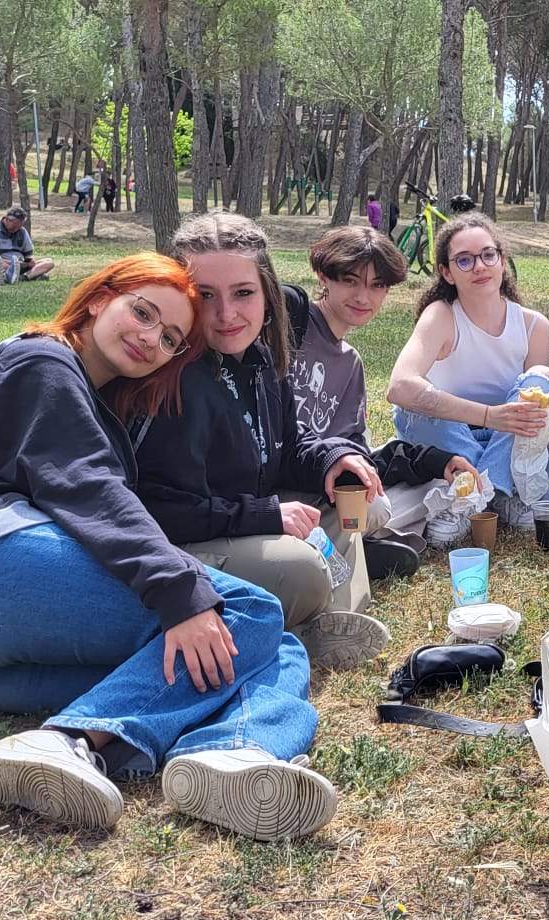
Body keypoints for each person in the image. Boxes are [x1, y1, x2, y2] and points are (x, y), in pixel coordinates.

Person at [0, 252, 339, 839]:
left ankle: (236, 756)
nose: (150, 337)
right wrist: (182, 593)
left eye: (171, 336)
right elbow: (90, 491)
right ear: (102, 296)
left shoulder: (95, 396)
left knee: (270, 650)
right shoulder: (39, 362)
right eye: (143, 312)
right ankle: (70, 741)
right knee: (248, 611)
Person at [133, 212, 395, 670]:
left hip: (241, 519)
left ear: (266, 292)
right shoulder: (172, 379)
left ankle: (332, 622)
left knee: (346, 497)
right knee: (299, 569)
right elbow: (156, 512)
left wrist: (334, 458)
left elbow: (290, 446)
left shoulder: (259, 356)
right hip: (181, 548)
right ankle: (303, 628)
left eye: (243, 293)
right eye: (204, 295)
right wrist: (267, 514)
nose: (226, 314)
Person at [290, 225, 481, 560]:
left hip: (323, 484)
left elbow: (357, 454)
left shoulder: (350, 364)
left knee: (434, 488)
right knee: (376, 509)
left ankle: (343, 544)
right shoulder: (290, 325)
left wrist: (436, 461)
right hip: (276, 485)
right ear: (323, 276)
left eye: (377, 285)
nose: (364, 297)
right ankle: (344, 547)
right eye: (350, 280)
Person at [387, 212, 549, 524]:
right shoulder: (440, 315)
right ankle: (502, 495)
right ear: (447, 273)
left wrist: (501, 423)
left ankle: (476, 496)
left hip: (506, 443)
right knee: (413, 407)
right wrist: (488, 415)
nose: (479, 266)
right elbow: (399, 386)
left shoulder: (534, 326)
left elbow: (534, 422)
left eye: (488, 255)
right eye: (464, 260)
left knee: (543, 381)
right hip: (450, 438)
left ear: (502, 261)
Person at [0, 206, 57, 284]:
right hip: (2, 264)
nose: (17, 228)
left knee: (49, 262)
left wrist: (30, 262)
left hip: (20, 264)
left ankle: (22, 277)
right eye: (15, 225)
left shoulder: (22, 231)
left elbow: (28, 255)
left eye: (20, 225)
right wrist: (3, 261)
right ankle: (31, 275)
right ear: (7, 219)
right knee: (2, 264)